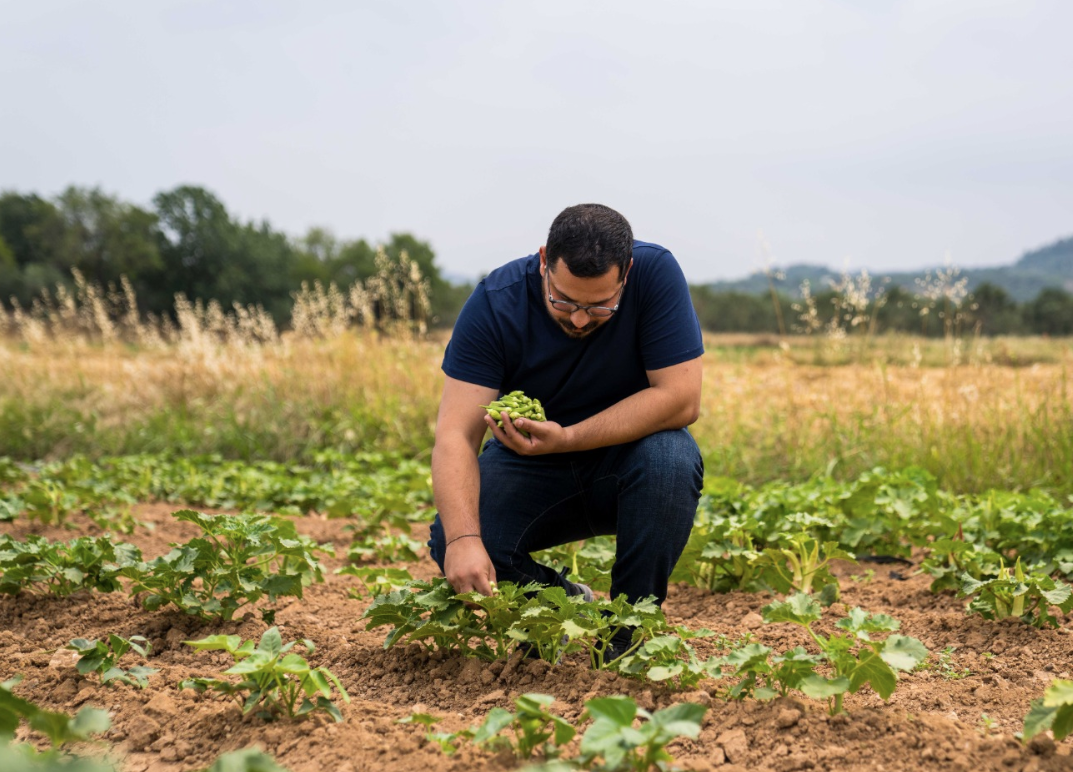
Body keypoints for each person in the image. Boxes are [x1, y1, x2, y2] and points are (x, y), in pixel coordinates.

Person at [427, 203, 705, 651]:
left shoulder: (656, 273)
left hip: (628, 457)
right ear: (543, 261)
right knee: (455, 539)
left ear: (627, 273)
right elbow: (455, 434)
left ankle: (626, 634)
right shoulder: (495, 302)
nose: (578, 318)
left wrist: (570, 437)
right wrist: (462, 539)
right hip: (530, 463)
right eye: (564, 300)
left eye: (600, 306)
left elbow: (681, 398)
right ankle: (563, 604)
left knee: (671, 457)